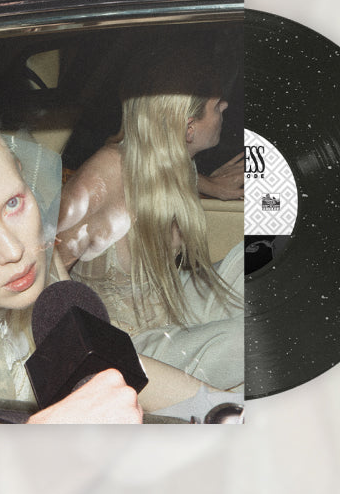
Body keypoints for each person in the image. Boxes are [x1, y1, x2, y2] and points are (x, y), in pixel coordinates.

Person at [0, 108, 233, 418]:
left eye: (13, 204)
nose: (15, 250)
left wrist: (220, 408)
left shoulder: (37, 268)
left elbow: (114, 364)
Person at [54, 57, 245, 390]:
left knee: (258, 257)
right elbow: (48, 267)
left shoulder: (169, 158)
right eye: (216, 105)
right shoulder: (101, 180)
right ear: (189, 127)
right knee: (254, 339)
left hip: (169, 298)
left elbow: (167, 177)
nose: (225, 104)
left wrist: (211, 185)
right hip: (130, 342)